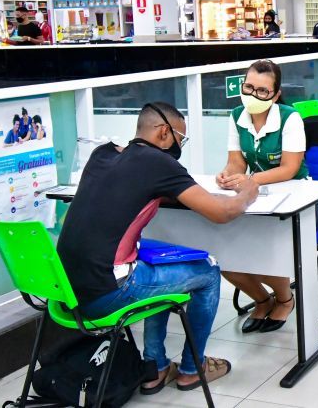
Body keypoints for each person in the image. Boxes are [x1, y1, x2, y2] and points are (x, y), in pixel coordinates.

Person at [56, 102, 260, 394]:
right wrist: (248, 192)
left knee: (158, 260)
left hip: (68, 292)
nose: (180, 147)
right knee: (209, 271)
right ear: (164, 132)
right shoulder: (158, 163)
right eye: (181, 138)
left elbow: (134, 191)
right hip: (106, 294)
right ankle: (192, 369)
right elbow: (221, 212)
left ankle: (156, 367)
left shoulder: (102, 154)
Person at [217, 59, 308, 334]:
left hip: (294, 195)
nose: (253, 95)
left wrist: (250, 180)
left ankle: (285, 299)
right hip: (257, 195)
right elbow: (236, 162)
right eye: (248, 87)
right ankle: (262, 300)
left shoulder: (290, 118)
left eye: (262, 91)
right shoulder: (236, 115)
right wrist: (228, 175)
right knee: (221, 253)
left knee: (259, 248)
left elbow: (290, 168)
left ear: (276, 95)